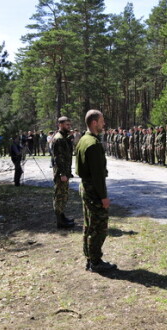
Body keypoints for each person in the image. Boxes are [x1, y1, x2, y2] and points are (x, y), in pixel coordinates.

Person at [76, 109, 117, 272]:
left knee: (89, 225)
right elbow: (98, 175)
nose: (104, 123)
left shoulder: (83, 140)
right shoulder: (93, 144)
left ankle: (90, 258)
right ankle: (95, 261)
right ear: (94, 123)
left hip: (86, 187)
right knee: (99, 227)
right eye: (101, 121)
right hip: (93, 190)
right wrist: (103, 197)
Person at [52, 116, 75, 229]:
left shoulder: (65, 137)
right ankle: (60, 221)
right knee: (59, 196)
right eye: (67, 125)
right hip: (61, 173)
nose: (69, 127)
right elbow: (58, 158)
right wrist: (62, 174)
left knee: (64, 195)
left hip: (65, 171)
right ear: (60, 125)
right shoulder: (59, 138)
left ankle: (62, 216)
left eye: (69, 125)